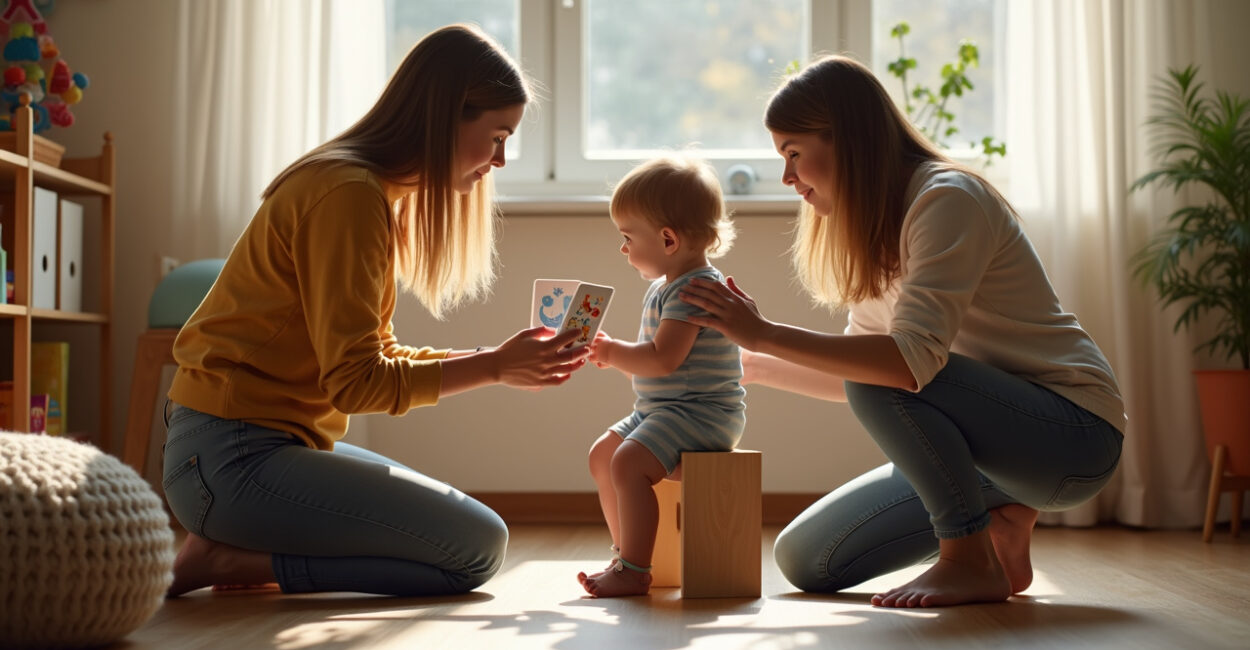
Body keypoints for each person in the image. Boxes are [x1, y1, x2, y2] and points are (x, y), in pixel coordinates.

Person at [679, 55, 1125, 608]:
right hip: (994, 460)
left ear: (848, 140)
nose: (788, 177)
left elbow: (900, 367)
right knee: (805, 559)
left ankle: (967, 559)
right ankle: (1002, 527)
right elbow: (856, 371)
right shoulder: (876, 231)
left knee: (887, 368)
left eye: (794, 154)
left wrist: (764, 333)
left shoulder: (947, 199)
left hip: (1072, 437)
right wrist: (749, 365)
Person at [161, 24, 590, 598]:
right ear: (445, 118)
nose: (501, 159)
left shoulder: (364, 191)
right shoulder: (349, 195)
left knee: (469, 535)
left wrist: (495, 359)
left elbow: (374, 358)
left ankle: (229, 548)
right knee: (475, 548)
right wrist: (492, 368)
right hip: (230, 460)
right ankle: (230, 563)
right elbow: (357, 384)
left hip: (252, 450)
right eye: (496, 136)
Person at [577, 154, 747, 597]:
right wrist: (615, 354)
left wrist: (614, 352)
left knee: (628, 463)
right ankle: (623, 552)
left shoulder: (694, 289)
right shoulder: (667, 285)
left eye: (628, 237)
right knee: (603, 455)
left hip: (703, 414)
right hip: (663, 411)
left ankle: (634, 568)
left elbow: (663, 359)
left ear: (668, 239)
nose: (623, 248)